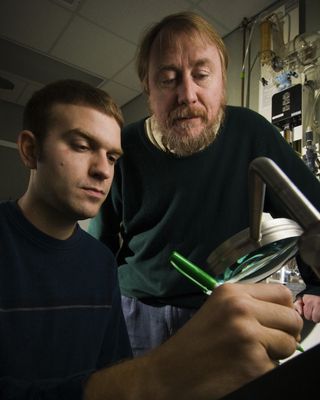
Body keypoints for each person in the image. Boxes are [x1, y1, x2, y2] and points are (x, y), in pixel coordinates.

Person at [0, 79, 305, 400]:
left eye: (112, 157)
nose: (101, 170)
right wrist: (157, 380)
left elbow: (113, 371)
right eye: (81, 145)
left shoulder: (100, 263)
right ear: (29, 149)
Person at [88, 11, 320, 357]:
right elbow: (100, 244)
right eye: (168, 79)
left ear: (222, 81)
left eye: (201, 75)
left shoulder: (251, 133)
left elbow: (311, 215)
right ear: (147, 87)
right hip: (134, 313)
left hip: (223, 311)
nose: (187, 94)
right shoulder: (123, 146)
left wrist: (316, 284)